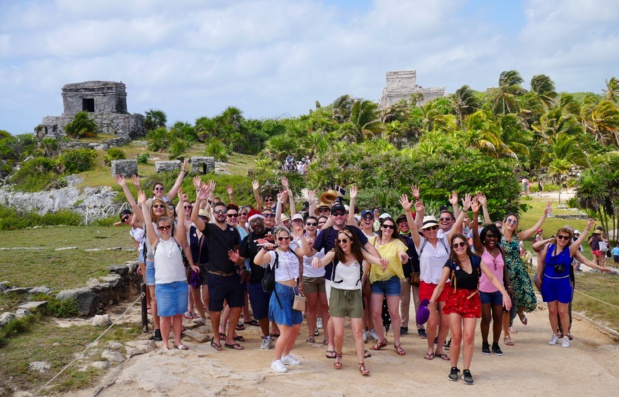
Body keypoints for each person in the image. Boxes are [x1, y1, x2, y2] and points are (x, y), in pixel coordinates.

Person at [429, 233, 511, 385]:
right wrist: (432, 301)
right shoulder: (451, 263)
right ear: (453, 248)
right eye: (456, 245)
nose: (459, 247)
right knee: (457, 336)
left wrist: (505, 293)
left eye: (462, 244)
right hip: (455, 299)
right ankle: (454, 367)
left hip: (472, 299)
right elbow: (441, 284)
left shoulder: (476, 260)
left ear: (467, 244)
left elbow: (492, 278)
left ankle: (466, 369)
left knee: (468, 336)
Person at [400, 192, 471, 361]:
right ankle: (430, 347)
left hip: (445, 285)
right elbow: (411, 228)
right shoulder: (421, 243)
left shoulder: (445, 242)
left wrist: (465, 210)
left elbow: (456, 227)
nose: (431, 231)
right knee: (432, 322)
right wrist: (409, 211)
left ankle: (440, 348)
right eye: (428, 229)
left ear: (437, 229)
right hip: (427, 286)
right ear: (423, 231)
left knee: (446, 322)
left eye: (434, 228)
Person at [312, 228, 387, 376]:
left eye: (344, 241)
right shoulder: (334, 253)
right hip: (337, 294)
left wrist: (383, 261)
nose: (341, 243)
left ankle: (361, 364)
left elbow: (374, 260)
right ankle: (339, 354)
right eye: (339, 241)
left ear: (352, 241)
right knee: (339, 333)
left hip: (354, 295)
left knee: (358, 332)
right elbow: (322, 262)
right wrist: (316, 259)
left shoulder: (359, 254)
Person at [313, 200, 381, 360]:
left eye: (341, 213)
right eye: (335, 214)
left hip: (353, 281)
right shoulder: (326, 232)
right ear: (331, 216)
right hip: (332, 280)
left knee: (356, 314)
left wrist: (380, 260)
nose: (338, 216)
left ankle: (360, 348)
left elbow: (368, 247)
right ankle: (331, 344)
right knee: (334, 314)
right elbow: (313, 252)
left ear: (345, 215)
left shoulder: (353, 230)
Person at [138, 189, 199, 351]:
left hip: (179, 283)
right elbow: (147, 221)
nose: (165, 229)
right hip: (163, 285)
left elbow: (179, 222)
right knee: (165, 316)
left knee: (178, 315)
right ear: (158, 229)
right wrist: (144, 204)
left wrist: (180, 201)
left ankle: (177, 341)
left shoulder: (177, 241)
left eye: (167, 227)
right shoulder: (155, 243)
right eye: (162, 227)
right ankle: (165, 344)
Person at [535, 220, 611, 347]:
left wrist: (600, 268)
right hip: (549, 282)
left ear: (569, 239)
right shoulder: (549, 247)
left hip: (563, 283)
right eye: (560, 236)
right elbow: (541, 261)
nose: (562, 239)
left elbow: (586, 260)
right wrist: (539, 275)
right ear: (557, 236)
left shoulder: (570, 250)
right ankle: (554, 334)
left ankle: (565, 335)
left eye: (566, 237)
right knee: (552, 310)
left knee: (563, 311)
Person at [191, 182, 244, 351]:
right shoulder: (210, 228)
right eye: (218, 212)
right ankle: (216, 337)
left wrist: (238, 261)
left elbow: (240, 257)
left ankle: (229, 338)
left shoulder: (233, 231)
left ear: (227, 214)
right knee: (215, 311)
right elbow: (194, 219)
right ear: (213, 214)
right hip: (215, 275)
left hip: (232, 276)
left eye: (223, 212)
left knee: (236, 308)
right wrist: (199, 199)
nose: (221, 214)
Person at [253, 226, 308, 373]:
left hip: (294, 291)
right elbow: (257, 261)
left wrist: (301, 236)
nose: (284, 240)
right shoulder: (273, 254)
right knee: (286, 330)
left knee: (296, 327)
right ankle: (276, 360)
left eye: (287, 237)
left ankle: (285, 355)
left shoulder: (293, 250)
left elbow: (306, 252)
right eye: (281, 238)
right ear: (276, 239)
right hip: (281, 292)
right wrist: (264, 248)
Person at [500, 202, 551, 346]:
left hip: (519, 273)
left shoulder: (518, 237)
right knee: (508, 304)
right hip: (505, 274)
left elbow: (534, 228)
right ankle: (506, 334)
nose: (511, 223)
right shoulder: (498, 236)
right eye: (509, 220)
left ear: (516, 225)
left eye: (514, 222)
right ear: (505, 222)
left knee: (530, 300)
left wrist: (544, 215)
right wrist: (484, 207)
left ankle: (520, 312)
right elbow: (489, 223)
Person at [471, 197, 510, 355]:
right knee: (486, 317)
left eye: (494, 236)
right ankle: (485, 343)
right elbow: (474, 235)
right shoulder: (480, 250)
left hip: (498, 289)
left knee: (498, 317)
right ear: (484, 238)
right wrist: (475, 215)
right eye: (488, 236)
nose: (491, 239)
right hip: (484, 289)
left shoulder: (501, 250)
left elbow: (504, 269)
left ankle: (496, 344)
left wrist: (508, 287)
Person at [368, 216, 408, 355]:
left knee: (394, 313)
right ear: (381, 227)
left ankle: (397, 342)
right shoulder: (372, 241)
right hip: (376, 280)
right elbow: (366, 259)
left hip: (392, 280)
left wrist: (404, 257)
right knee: (376, 313)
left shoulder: (398, 242)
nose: (388, 229)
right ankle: (381, 339)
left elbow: (402, 255)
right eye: (385, 226)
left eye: (391, 227)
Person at [302, 216, 330, 345]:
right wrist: (299, 281)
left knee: (325, 307)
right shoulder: (300, 240)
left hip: (324, 276)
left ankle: (327, 336)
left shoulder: (322, 238)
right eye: (308, 223)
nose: (311, 226)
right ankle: (311, 335)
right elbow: (299, 262)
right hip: (308, 277)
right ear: (305, 225)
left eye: (314, 223)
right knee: (311, 307)